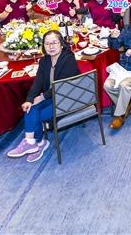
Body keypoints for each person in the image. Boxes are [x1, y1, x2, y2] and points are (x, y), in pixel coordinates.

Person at [6, 30, 79, 162]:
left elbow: (63, 86)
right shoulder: (44, 61)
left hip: (67, 99)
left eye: (54, 43)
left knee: (36, 115)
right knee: (30, 107)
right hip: (51, 97)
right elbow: (37, 83)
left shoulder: (69, 59)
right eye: (47, 44)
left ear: (61, 44)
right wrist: (29, 100)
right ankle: (33, 143)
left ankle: (38, 143)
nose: (51, 46)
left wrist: (42, 97)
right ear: (43, 46)